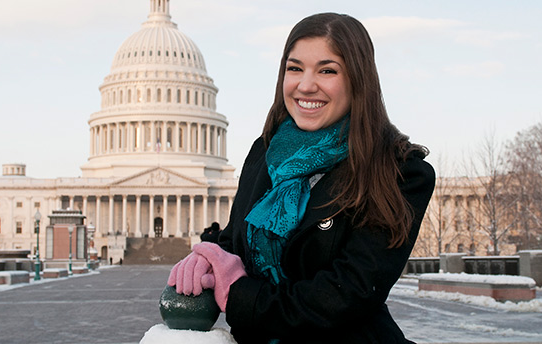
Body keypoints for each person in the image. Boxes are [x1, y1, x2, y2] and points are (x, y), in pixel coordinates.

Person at [168, 12, 435, 343]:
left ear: (358, 79)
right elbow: (239, 237)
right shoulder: (265, 153)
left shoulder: (399, 172)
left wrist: (240, 295)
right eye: (295, 68)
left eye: (327, 70)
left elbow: (345, 296)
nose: (306, 85)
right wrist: (206, 258)